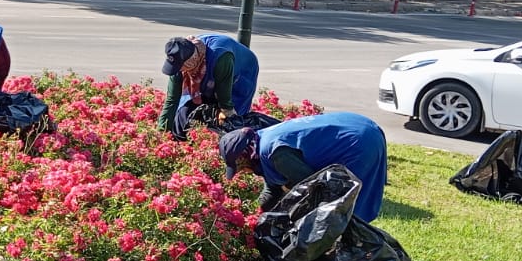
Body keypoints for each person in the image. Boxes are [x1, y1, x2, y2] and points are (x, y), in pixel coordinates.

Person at [218, 111, 388, 223]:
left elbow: (313, 186)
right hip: (359, 125)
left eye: (240, 168)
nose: (244, 172)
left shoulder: (276, 154)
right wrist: (255, 214)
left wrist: (291, 190)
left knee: (347, 201)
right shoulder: (261, 140)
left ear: (246, 157)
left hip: (358, 141)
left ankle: (357, 253)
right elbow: (272, 190)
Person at [159, 34, 260, 138]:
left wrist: (226, 111)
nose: (180, 70)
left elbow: (225, 102)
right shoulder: (179, 63)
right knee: (185, 111)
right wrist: (162, 132)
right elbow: (172, 100)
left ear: (191, 60)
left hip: (241, 71)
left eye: (181, 67)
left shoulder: (220, 57)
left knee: (230, 119)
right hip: (208, 67)